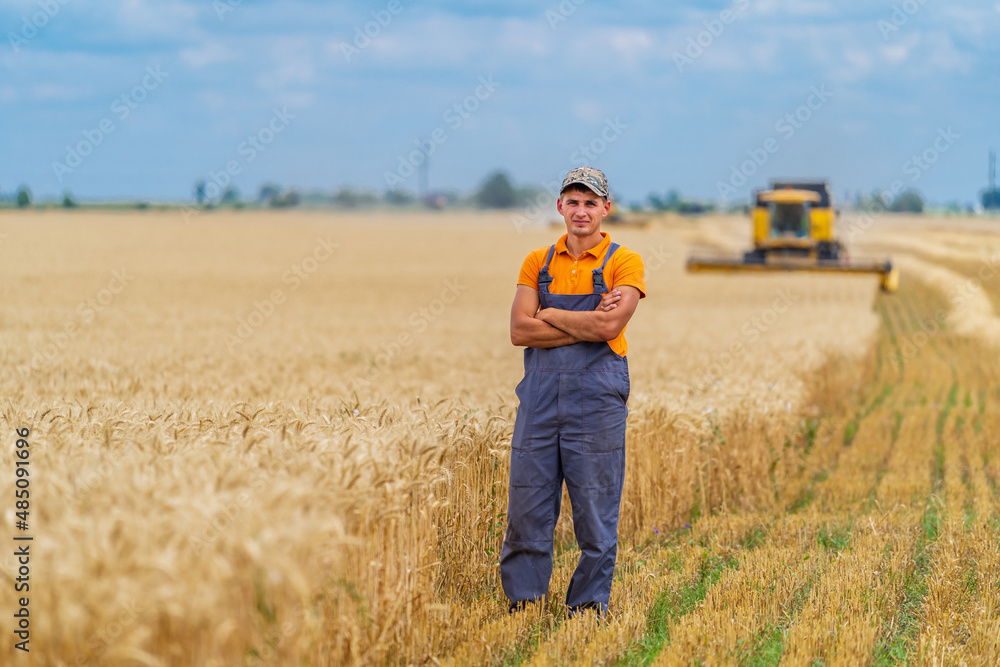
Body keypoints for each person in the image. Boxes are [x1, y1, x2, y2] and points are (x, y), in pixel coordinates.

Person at [501, 166, 645, 616]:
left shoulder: (625, 262)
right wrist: (585, 326)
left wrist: (548, 314)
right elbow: (519, 332)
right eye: (573, 201)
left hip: (597, 397)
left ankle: (586, 607)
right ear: (560, 206)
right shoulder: (537, 261)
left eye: (590, 202)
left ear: (606, 208)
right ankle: (524, 602)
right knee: (528, 501)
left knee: (595, 504)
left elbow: (609, 325)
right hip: (540, 397)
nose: (581, 211)